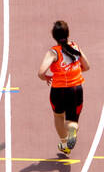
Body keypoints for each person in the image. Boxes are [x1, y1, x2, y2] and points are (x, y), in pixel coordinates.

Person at [38, 20, 89, 158]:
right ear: (68, 34)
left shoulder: (53, 52)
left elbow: (41, 72)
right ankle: (72, 128)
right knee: (72, 120)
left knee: (59, 116)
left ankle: (65, 143)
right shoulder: (75, 47)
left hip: (59, 91)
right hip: (76, 89)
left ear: (53, 36)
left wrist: (47, 78)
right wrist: (73, 71)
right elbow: (87, 66)